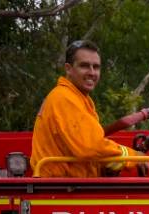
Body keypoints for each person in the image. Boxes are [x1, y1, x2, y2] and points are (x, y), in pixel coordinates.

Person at [31, 40, 140, 177]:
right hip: (60, 190)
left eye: (96, 67)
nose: (92, 72)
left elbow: (82, 149)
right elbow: (90, 147)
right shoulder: (64, 98)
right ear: (68, 69)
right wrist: (133, 157)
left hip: (69, 187)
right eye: (84, 66)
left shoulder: (78, 99)